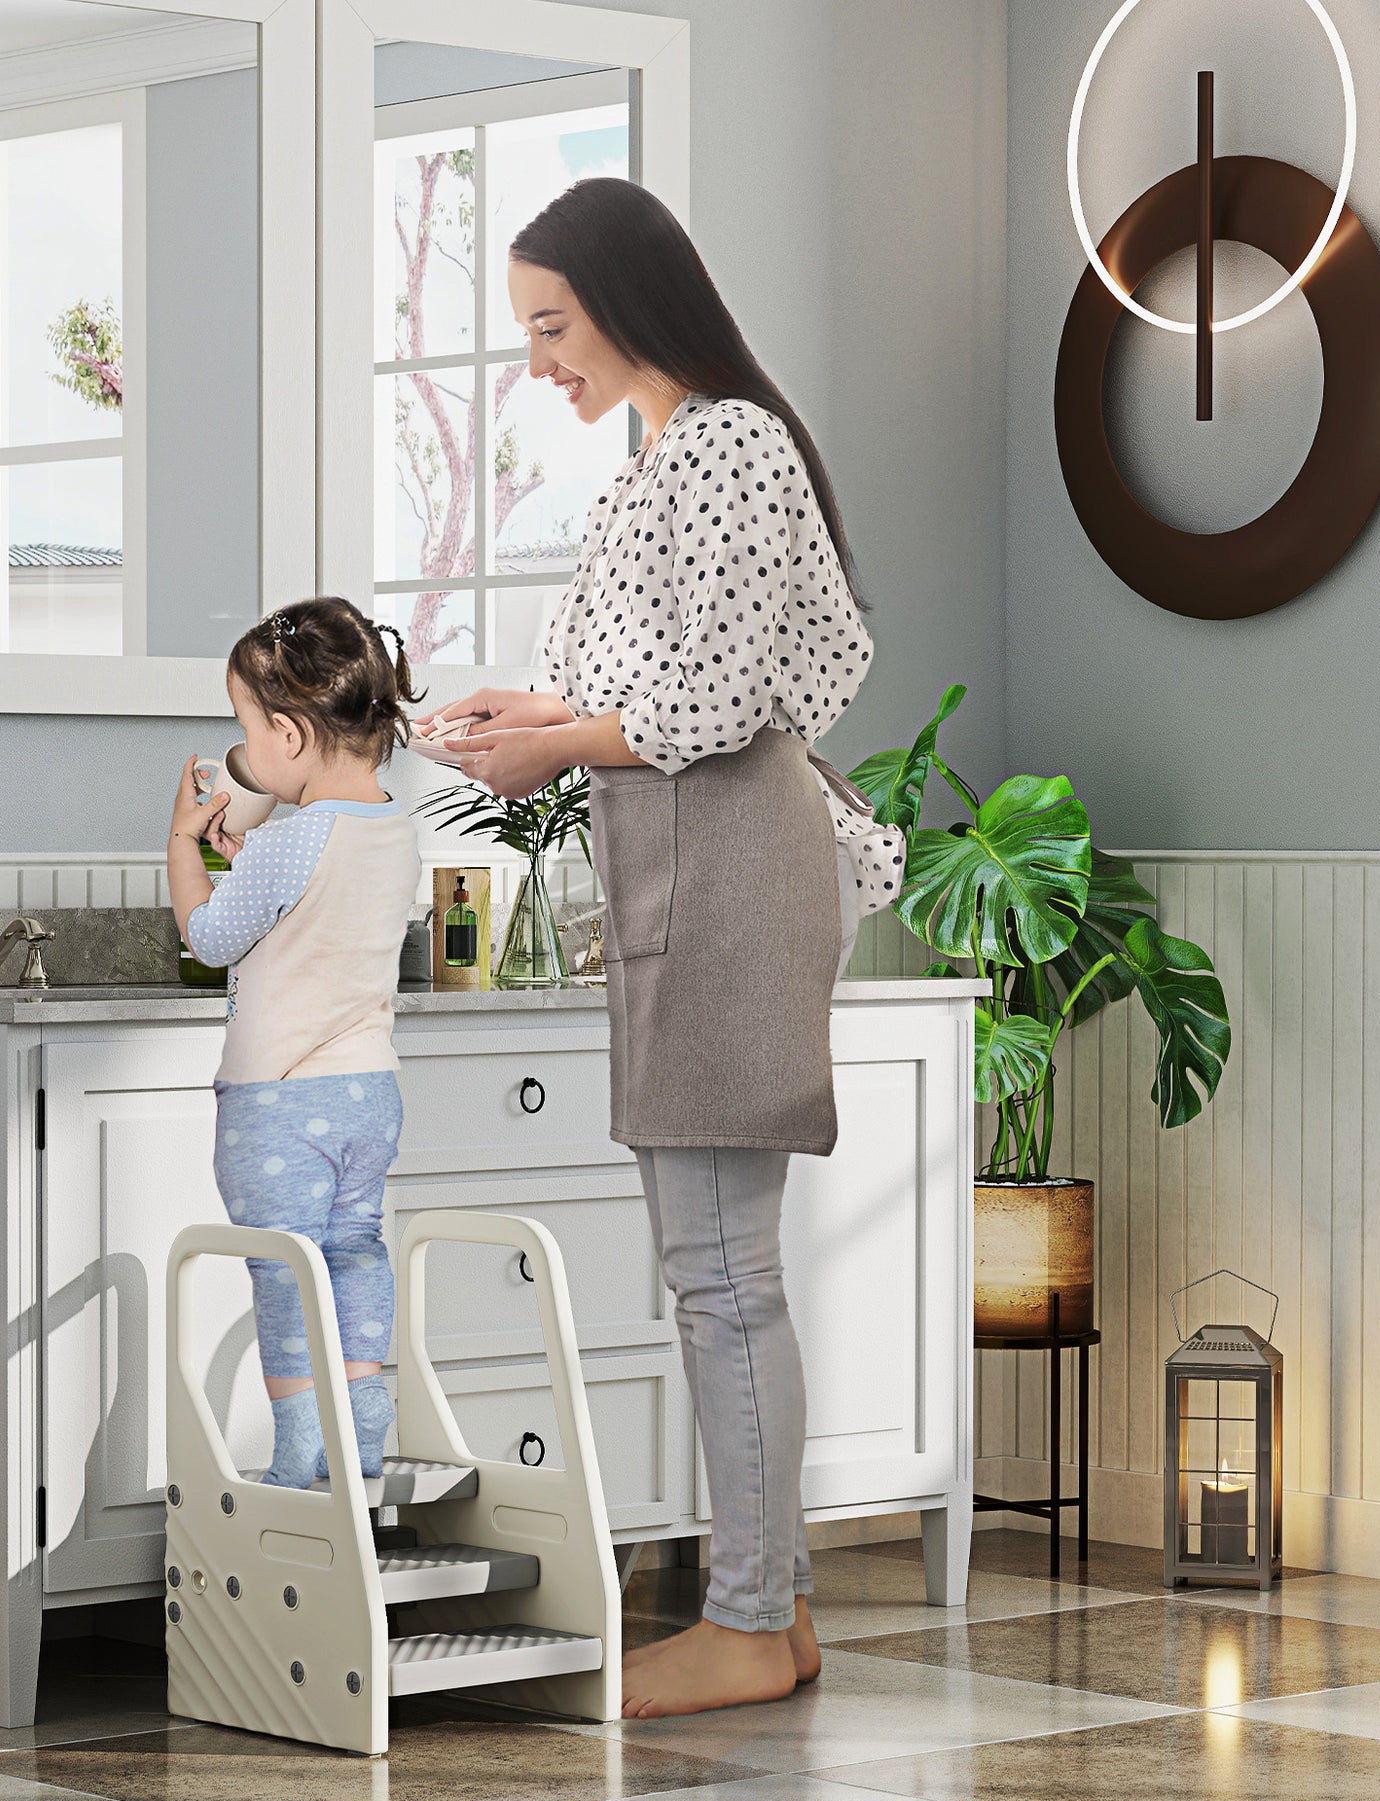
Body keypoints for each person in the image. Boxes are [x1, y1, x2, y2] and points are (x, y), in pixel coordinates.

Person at [428, 176, 890, 1718]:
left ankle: (751, 1618)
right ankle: (776, 1614)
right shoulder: (667, 459)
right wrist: (533, 716)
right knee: (715, 1264)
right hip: (683, 866)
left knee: (715, 1269)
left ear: (630, 300)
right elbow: (667, 691)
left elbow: (709, 707)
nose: (538, 360)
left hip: (725, 867)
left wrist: (551, 751)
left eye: (551, 324)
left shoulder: (728, 447)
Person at [168, 597, 423, 1489]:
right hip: (369, 1095)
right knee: (353, 1252)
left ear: (285, 733)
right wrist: (253, 856)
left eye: (245, 725)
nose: (242, 745)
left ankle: (298, 1456)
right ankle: (362, 1434)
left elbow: (210, 937)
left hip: (279, 1106)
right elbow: (313, 913)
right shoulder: (394, 828)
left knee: (284, 1273)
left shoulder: (288, 841)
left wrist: (183, 844)